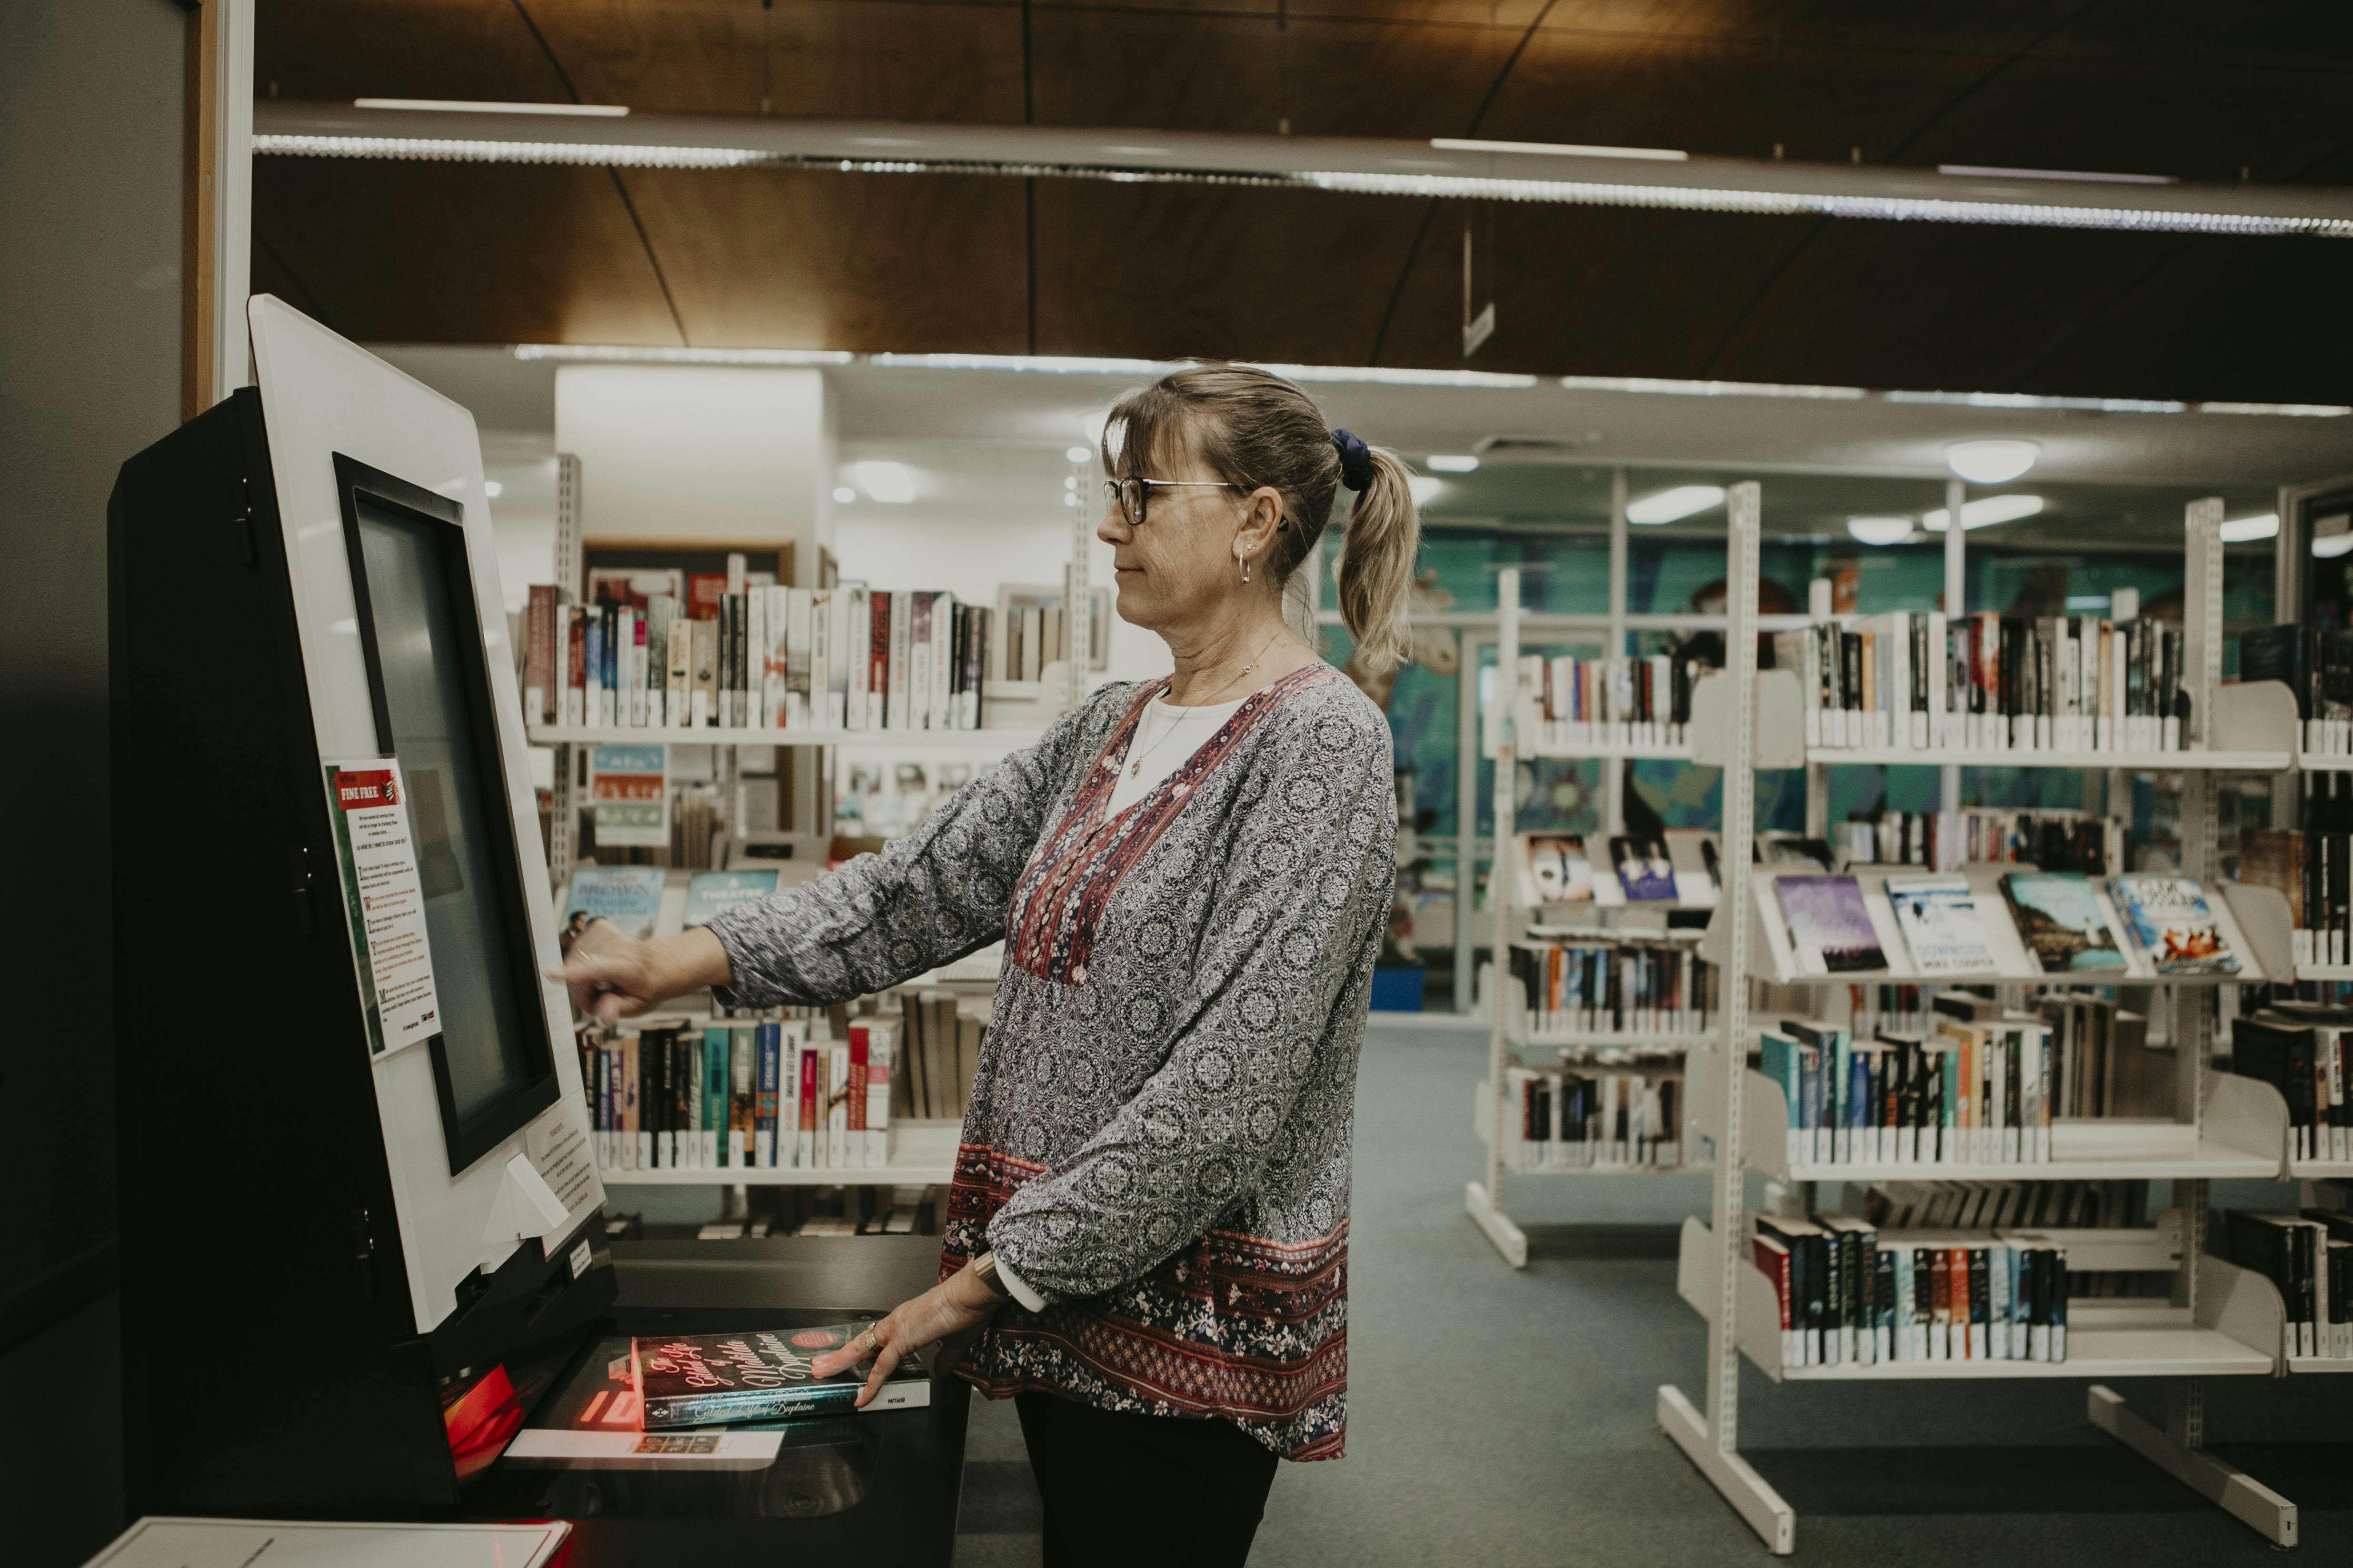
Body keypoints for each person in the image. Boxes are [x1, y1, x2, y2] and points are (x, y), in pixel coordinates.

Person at [557, 362, 1418, 1566]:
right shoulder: (1108, 724)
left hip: (1186, 1324)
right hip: (1065, 1289)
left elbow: (1224, 1094)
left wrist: (982, 1283)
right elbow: (914, 889)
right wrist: (679, 960)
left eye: (1143, 494)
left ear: (1255, 522)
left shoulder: (1321, 743)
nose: (1110, 525)